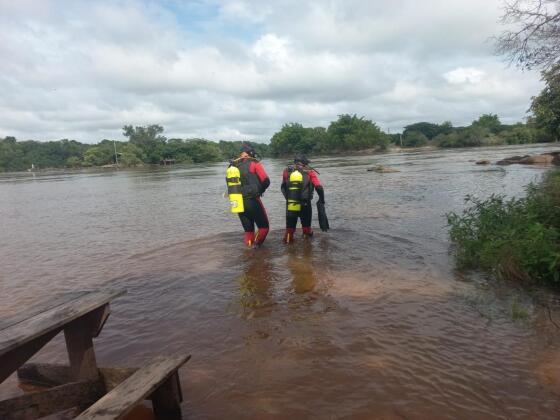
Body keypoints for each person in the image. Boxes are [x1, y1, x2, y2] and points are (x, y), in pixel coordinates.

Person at [228, 144, 270, 247]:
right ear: (251, 153)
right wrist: (261, 190)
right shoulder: (254, 163)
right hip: (252, 199)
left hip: (237, 201)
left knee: (248, 230)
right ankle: (255, 250)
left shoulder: (233, 166)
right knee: (264, 228)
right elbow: (266, 180)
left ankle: (248, 251)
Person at [281, 155, 325, 243]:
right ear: (304, 163)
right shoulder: (310, 172)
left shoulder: (286, 171)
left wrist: (288, 199)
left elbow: (283, 187)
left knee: (290, 228)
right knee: (306, 227)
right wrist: (321, 199)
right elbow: (319, 187)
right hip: (305, 203)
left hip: (291, 203)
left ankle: (288, 250)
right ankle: (307, 248)